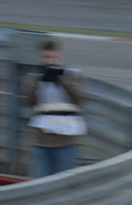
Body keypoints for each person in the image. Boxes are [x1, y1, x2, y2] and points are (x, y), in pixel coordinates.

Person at [21, 39, 86, 178]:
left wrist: (61, 77)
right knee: (38, 184)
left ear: (60, 57)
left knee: (63, 184)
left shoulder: (73, 75)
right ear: (40, 58)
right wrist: (41, 79)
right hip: (41, 139)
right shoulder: (33, 78)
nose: (49, 61)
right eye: (46, 57)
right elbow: (27, 101)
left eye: (53, 57)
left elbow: (80, 99)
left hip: (67, 140)